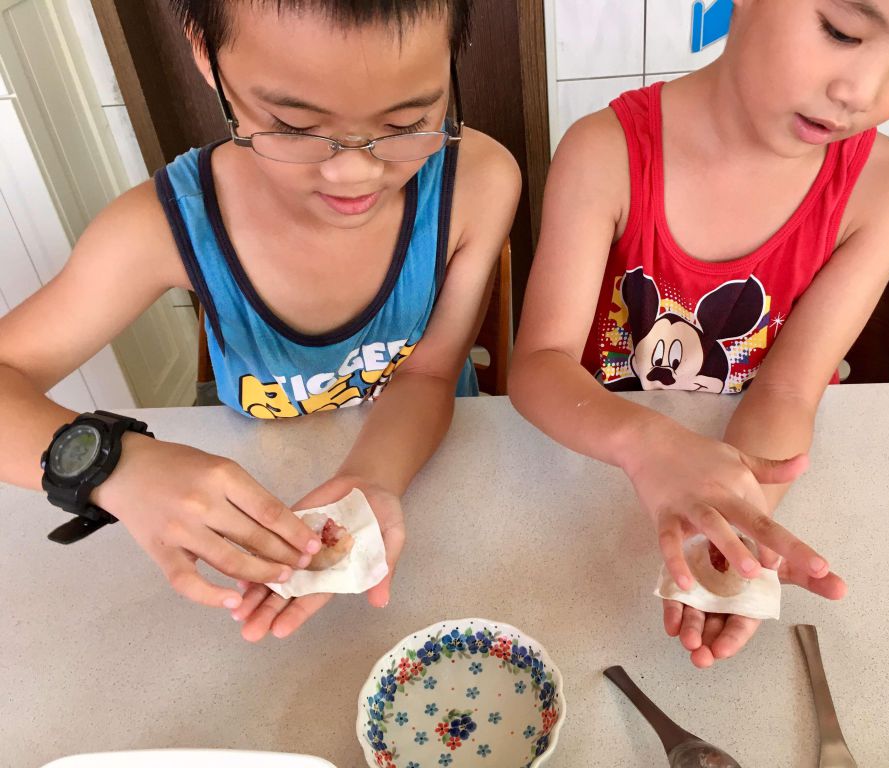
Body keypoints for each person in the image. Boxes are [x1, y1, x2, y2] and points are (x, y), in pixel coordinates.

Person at [508, 0, 889, 668]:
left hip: (744, 461)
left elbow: (788, 388)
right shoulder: (604, 152)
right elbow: (539, 366)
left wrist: (734, 527)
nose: (860, 94)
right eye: (841, 32)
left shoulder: (887, 189)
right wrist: (649, 446)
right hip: (593, 458)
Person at [0, 0, 519, 642]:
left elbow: (431, 371)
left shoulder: (477, 182)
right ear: (205, 52)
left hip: (438, 485)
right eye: (294, 127)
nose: (354, 172)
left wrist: (370, 479)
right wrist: (115, 467)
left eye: (409, 121)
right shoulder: (160, 227)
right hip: (257, 523)